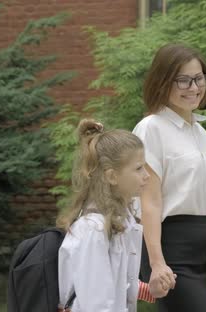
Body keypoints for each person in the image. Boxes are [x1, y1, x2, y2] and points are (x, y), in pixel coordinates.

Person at [133, 43, 206, 312]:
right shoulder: (151, 129)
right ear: (163, 81)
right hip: (172, 251)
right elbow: (149, 202)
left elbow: (204, 199)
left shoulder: (200, 132)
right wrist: (157, 262)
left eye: (198, 78)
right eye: (183, 80)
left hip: (201, 251)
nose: (194, 87)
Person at [56, 119, 171, 311]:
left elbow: (116, 283)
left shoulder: (121, 221)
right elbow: (96, 305)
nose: (147, 175)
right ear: (111, 176)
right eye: (138, 168)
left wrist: (149, 290)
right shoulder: (92, 230)